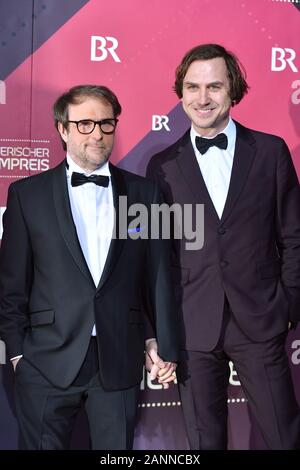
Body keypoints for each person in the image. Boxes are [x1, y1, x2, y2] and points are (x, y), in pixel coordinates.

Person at [0, 84, 178, 450]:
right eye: (84, 124)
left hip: (118, 359)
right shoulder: (26, 194)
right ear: (63, 130)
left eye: (106, 123)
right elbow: (12, 285)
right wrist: (18, 355)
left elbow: (157, 275)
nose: (97, 133)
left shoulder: (145, 194)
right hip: (46, 361)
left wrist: (161, 341)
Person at [146, 44, 300, 450]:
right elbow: (157, 257)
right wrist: (161, 331)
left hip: (261, 318)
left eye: (214, 86)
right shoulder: (161, 165)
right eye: (192, 87)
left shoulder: (270, 152)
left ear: (234, 90)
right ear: (180, 93)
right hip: (192, 323)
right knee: (203, 441)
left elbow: (294, 237)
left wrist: (288, 308)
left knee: (285, 435)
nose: (202, 98)